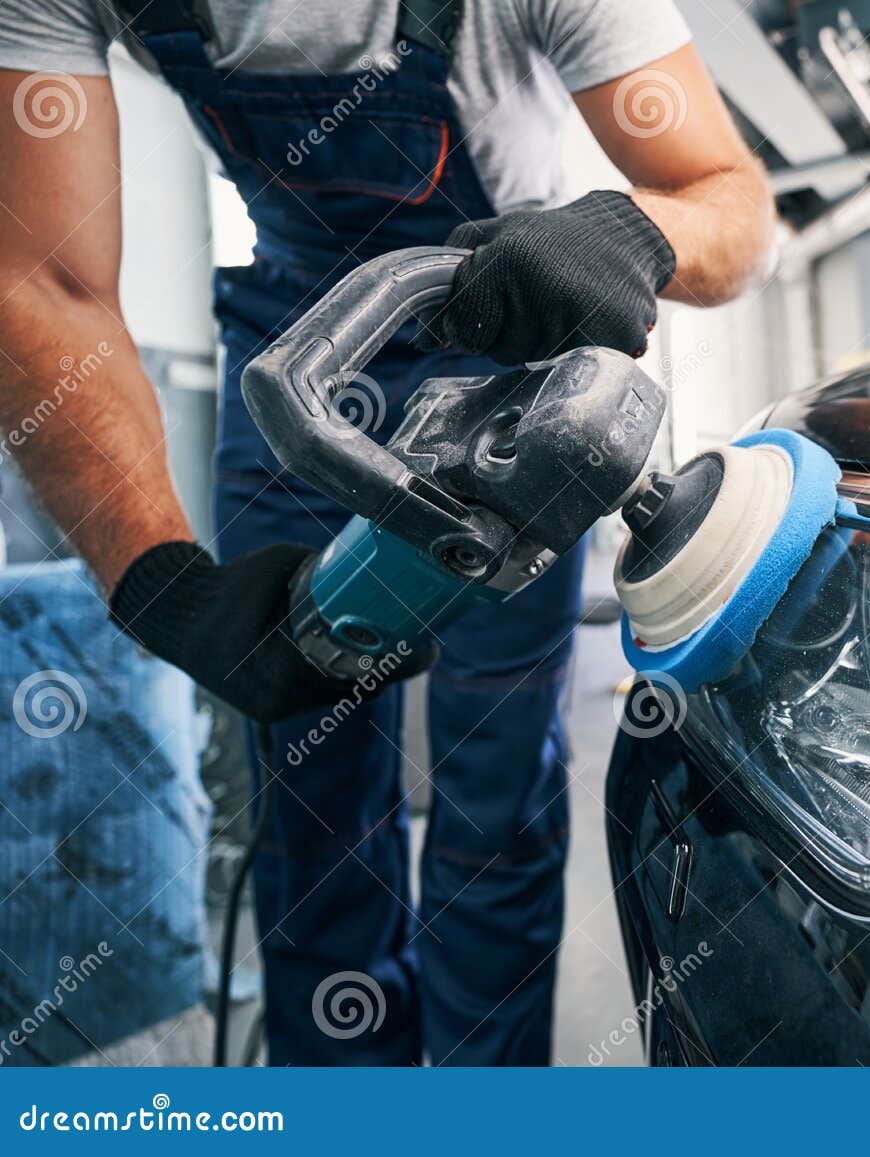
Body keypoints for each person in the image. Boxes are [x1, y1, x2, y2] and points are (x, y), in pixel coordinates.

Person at [0, 0, 773, 1065]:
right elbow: (37, 277)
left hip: (513, 347)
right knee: (309, 791)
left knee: (492, 787)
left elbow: (728, 204)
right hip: (302, 355)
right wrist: (161, 582)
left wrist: (633, 231)